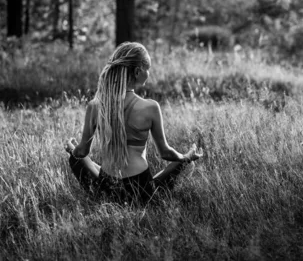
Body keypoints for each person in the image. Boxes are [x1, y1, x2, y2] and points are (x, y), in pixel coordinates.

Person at [65, 42, 203, 204]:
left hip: (108, 184)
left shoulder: (95, 105)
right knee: (180, 163)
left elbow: (82, 152)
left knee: (76, 158)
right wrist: (183, 157)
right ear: (137, 71)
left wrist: (71, 148)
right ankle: (159, 186)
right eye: (148, 68)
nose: (149, 73)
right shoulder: (150, 107)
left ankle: (105, 197)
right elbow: (165, 153)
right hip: (140, 186)